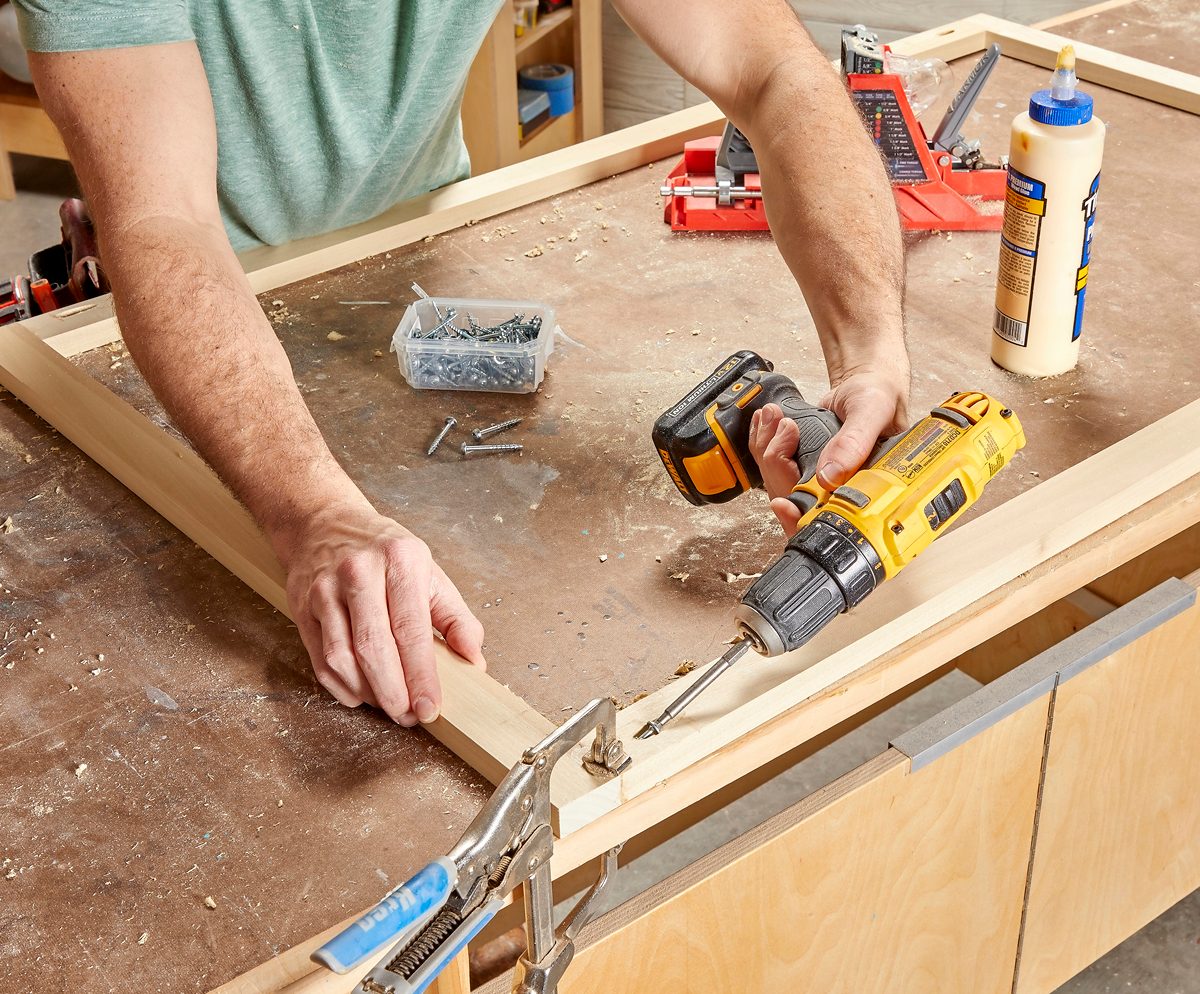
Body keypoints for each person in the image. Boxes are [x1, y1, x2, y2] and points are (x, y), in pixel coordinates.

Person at [16, 0, 910, 727]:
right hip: (193, 303)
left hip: (418, 243)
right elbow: (162, 223)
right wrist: (318, 516)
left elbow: (775, 71)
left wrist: (869, 347)